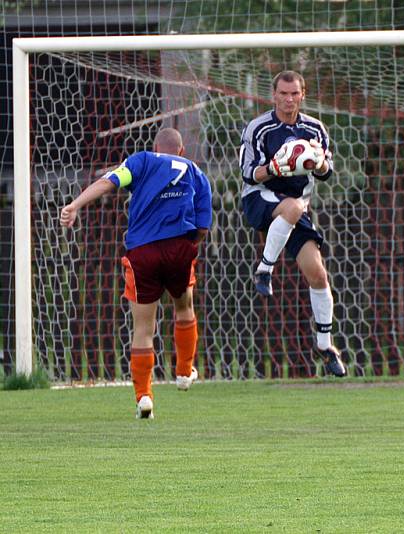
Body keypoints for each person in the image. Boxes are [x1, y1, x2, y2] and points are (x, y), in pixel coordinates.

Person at [60, 128, 212, 419]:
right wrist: (186, 249)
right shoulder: (196, 172)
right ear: (180, 151)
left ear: (155, 146)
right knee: (185, 307)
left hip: (143, 252)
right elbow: (202, 227)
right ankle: (183, 372)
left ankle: (144, 397)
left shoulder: (141, 161)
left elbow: (109, 182)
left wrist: (75, 205)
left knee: (143, 328)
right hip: (179, 247)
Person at [239, 69, 346, 378]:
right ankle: (264, 269)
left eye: (294, 94)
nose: (288, 99)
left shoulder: (314, 128)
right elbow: (249, 174)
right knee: (291, 208)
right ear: (274, 95)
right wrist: (275, 166)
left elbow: (326, 172)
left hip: (296, 208)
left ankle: (326, 348)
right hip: (260, 197)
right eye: (283, 94)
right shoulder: (259, 128)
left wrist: (319, 161)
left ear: (303, 95)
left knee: (317, 273)